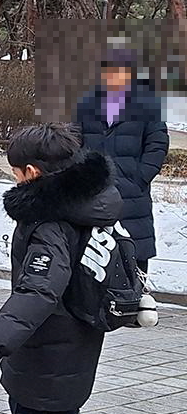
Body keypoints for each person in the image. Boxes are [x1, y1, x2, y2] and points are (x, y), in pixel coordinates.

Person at [0, 124, 120, 414]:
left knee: (28, 408)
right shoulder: (92, 202)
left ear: (33, 172)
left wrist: (0, 337)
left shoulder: (49, 220)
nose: (14, 178)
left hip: (48, 332)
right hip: (84, 326)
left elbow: (41, 288)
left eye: (15, 171)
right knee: (61, 406)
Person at [76, 49, 168, 274]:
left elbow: (157, 144)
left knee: (134, 259)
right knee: (91, 264)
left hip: (132, 193)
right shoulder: (87, 103)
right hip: (93, 192)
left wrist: (140, 177)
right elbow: (74, 141)